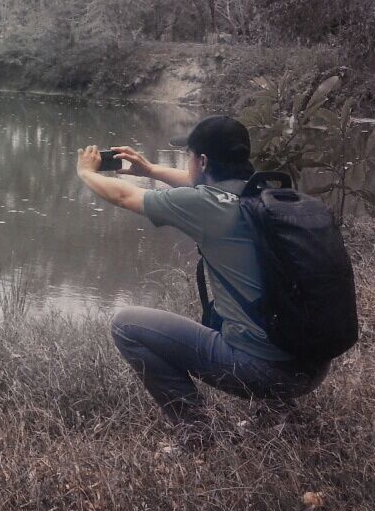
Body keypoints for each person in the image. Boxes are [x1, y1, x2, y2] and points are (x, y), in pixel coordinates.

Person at [75, 115, 329, 430]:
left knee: (126, 325)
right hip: (312, 366)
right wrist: (151, 170)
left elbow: (124, 195)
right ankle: (281, 413)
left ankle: (197, 432)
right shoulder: (263, 195)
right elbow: (196, 184)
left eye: (191, 157)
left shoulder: (208, 207)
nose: (189, 164)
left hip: (266, 374)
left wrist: (85, 172)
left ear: (204, 161)